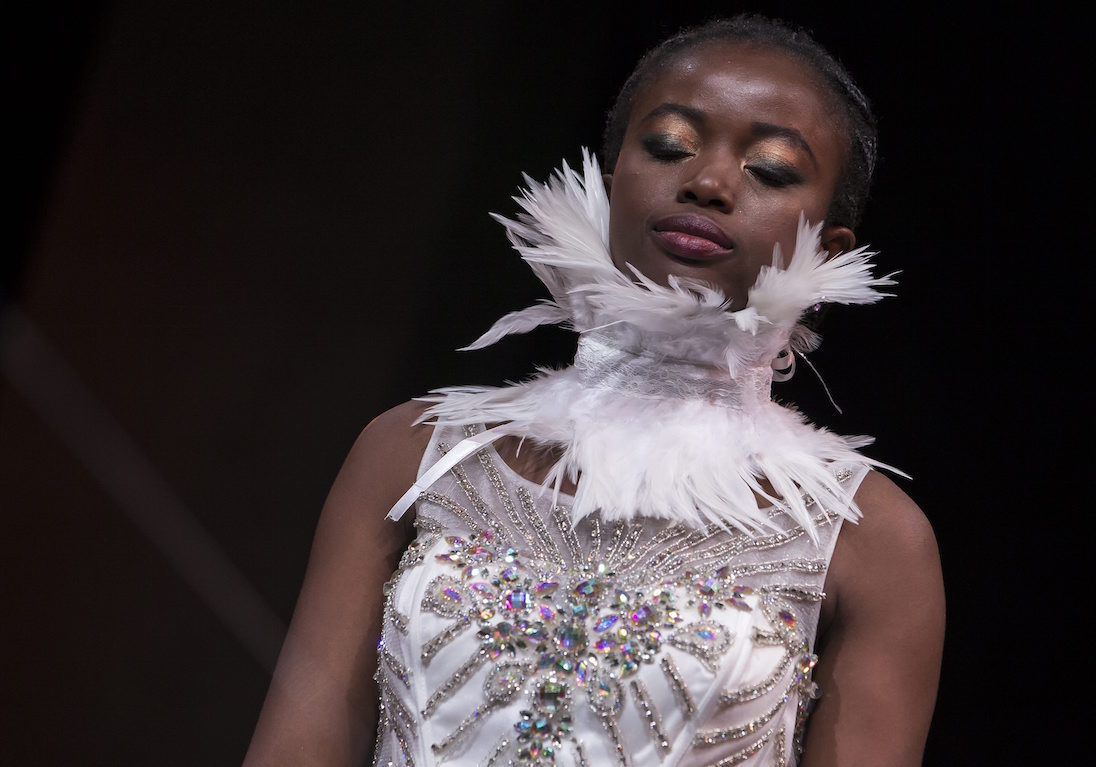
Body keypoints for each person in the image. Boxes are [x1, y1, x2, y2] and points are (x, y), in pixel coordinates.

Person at [243, 13, 944, 767]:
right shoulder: (415, 456)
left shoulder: (868, 538)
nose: (707, 183)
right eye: (669, 145)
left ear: (829, 246)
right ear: (611, 188)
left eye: (770, 169)